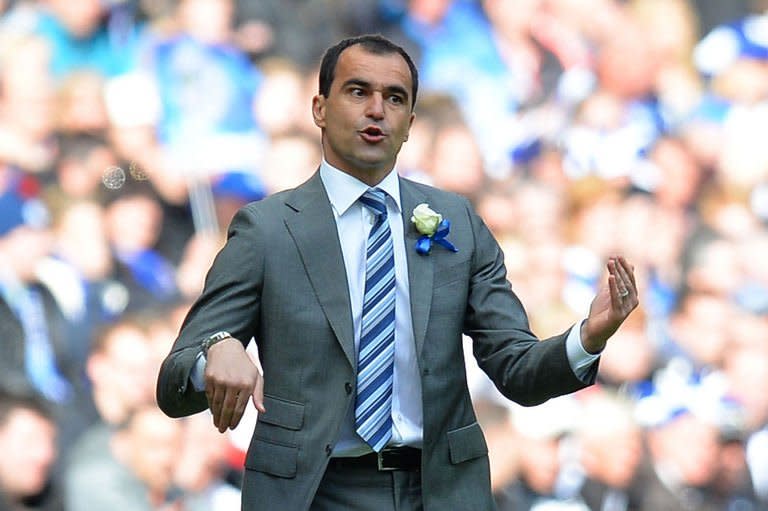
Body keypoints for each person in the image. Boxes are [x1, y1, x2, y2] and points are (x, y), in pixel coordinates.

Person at [156, 34, 639, 510]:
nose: (376, 110)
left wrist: (588, 336)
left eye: (394, 98)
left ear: (409, 123)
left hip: (440, 490)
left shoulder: (459, 222)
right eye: (358, 91)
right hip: (312, 492)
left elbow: (516, 371)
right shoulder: (267, 230)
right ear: (319, 109)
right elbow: (173, 380)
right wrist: (215, 351)